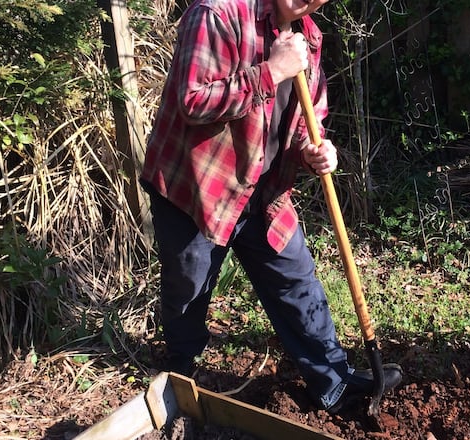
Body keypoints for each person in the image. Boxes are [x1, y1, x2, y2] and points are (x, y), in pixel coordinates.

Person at [139, 0, 402, 413]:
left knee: (297, 280)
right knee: (187, 290)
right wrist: (271, 71)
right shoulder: (217, 14)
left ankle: (335, 382)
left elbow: (307, 121)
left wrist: (314, 152)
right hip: (198, 188)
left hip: (262, 192)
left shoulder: (307, 40)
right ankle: (180, 373)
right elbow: (191, 100)